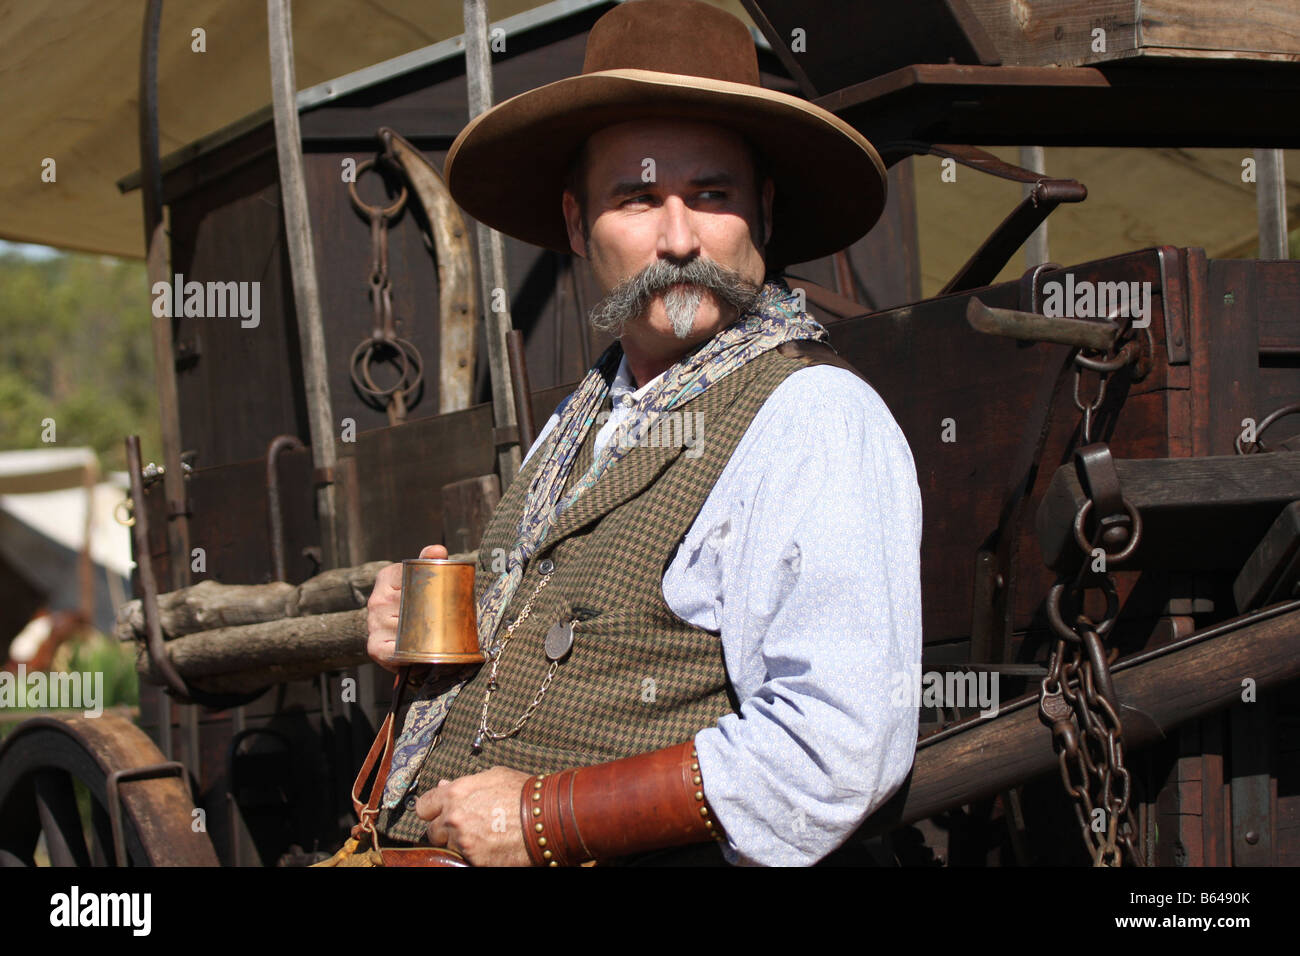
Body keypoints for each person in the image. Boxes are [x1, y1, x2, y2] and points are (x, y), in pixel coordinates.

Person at [365, 0, 922, 866]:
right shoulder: (585, 417)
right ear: (574, 223)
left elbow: (834, 755)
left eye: (711, 195)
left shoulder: (814, 419)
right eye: (635, 198)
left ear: (762, 213)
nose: (678, 238)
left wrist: (546, 817)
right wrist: (436, 630)